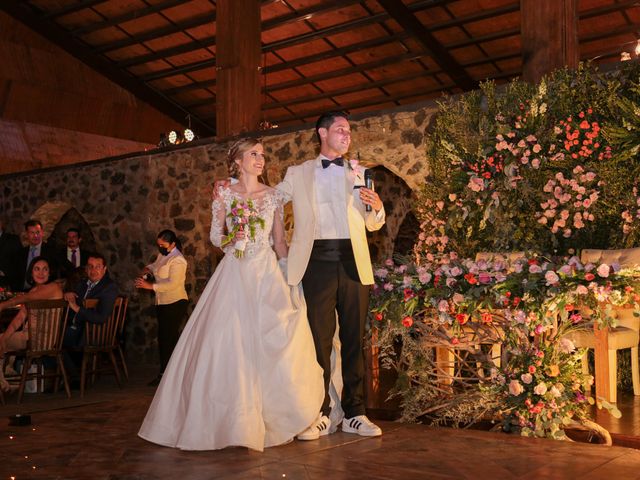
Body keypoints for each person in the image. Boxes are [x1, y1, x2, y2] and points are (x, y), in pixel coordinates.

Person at [138, 138, 323, 451]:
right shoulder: (224, 192)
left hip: (265, 273)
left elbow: (279, 241)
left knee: (273, 338)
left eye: (262, 155)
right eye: (253, 154)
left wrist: (291, 275)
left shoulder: (273, 196)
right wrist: (230, 240)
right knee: (229, 342)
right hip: (235, 270)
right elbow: (214, 236)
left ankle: (273, 416)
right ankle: (230, 421)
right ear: (237, 160)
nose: (260, 159)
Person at [275, 111, 386, 439]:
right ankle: (319, 412)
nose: (346, 134)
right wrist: (239, 190)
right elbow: (273, 201)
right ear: (322, 133)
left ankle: (355, 413)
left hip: (353, 262)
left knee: (354, 340)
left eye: (348, 131)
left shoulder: (361, 172)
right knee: (318, 342)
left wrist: (377, 206)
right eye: (340, 129)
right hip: (315, 263)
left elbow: (373, 223)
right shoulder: (297, 173)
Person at [0, 257, 64, 391]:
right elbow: (19, 318)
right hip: (29, 337)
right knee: (3, 338)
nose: (41, 273)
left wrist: (4, 305)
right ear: (31, 272)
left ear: (49, 273)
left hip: (42, 340)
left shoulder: (53, 288)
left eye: (45, 269)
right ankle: (8, 378)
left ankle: (4, 383)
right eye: (37, 269)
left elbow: (28, 298)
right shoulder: (33, 291)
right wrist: (5, 337)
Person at [134, 230, 189, 387]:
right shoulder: (163, 255)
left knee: (168, 340)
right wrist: (147, 268)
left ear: (172, 244)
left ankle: (166, 376)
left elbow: (173, 284)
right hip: (162, 303)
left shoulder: (178, 260)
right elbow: (156, 265)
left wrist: (150, 286)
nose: (160, 248)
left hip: (175, 302)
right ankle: (169, 374)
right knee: (165, 339)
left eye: (163, 245)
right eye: (158, 245)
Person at [62, 253, 118, 351]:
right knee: (50, 334)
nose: (93, 270)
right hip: (75, 327)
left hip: (92, 333)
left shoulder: (109, 287)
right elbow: (72, 301)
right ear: (86, 268)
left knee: (55, 340)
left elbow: (101, 317)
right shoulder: (83, 283)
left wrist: (77, 308)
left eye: (98, 267)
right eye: (90, 266)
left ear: (104, 269)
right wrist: (68, 294)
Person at [14, 219, 57, 291]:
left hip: (44, 292)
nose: (35, 236)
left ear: (42, 233)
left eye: (38, 232)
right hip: (23, 291)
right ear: (27, 234)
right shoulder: (20, 253)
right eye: (32, 233)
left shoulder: (52, 251)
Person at [0, 219, 22, 289]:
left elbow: (20, 262)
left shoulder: (13, 240)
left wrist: (3, 272)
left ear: (1, 223)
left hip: (7, 285)